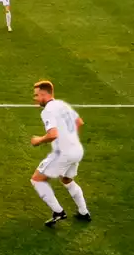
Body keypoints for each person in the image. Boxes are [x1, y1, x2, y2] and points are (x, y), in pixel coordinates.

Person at [29, 80, 90, 228]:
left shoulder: (48, 110)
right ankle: (83, 212)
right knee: (67, 180)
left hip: (64, 152)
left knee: (37, 179)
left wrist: (38, 140)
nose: (35, 98)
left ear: (44, 94)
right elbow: (79, 122)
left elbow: (52, 134)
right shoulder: (62, 105)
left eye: (37, 95)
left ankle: (58, 212)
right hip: (77, 150)